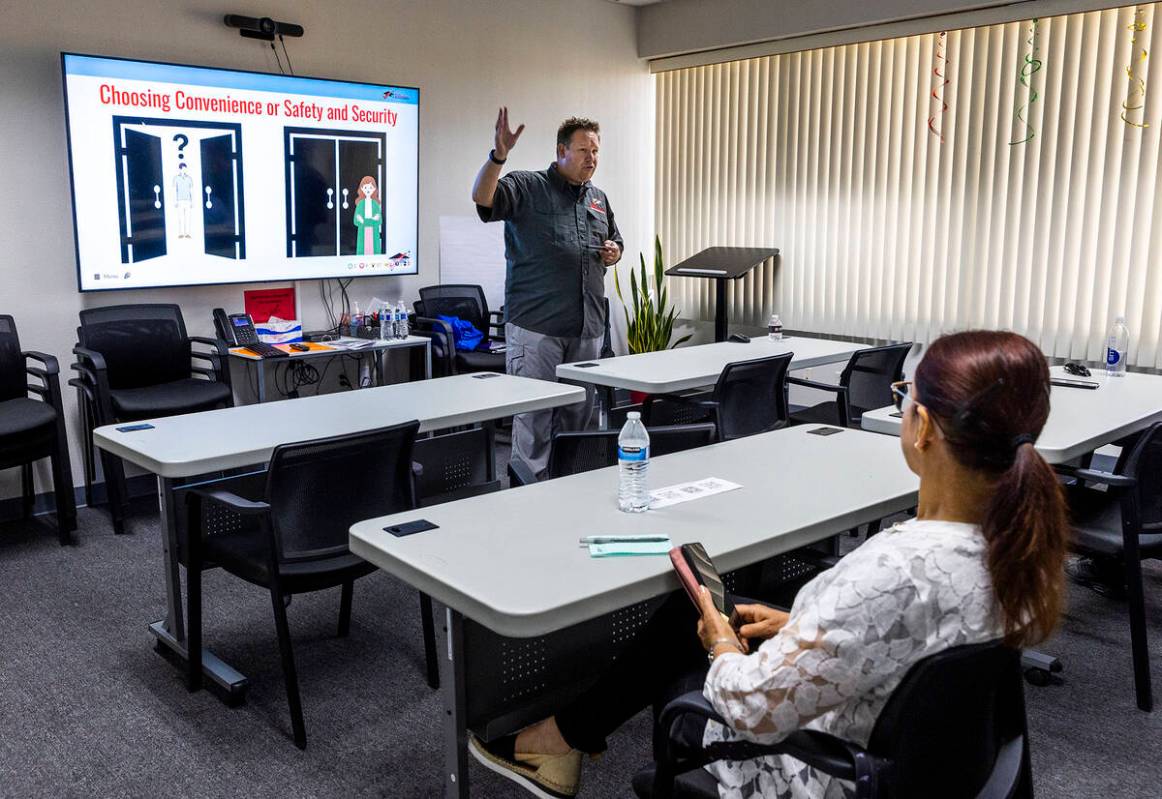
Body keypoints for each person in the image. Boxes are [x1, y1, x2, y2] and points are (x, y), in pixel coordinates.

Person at [469, 330, 1070, 799]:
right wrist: (801, 628)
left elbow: (748, 709)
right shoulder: (1017, 545)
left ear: (926, 431)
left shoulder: (892, 569)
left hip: (819, 775)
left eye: (903, 397)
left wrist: (722, 646)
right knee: (704, 608)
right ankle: (563, 739)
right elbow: (916, 644)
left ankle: (557, 740)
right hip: (921, 764)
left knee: (695, 631)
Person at [473, 110, 624, 479]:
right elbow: (482, 196)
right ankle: (527, 499)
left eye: (596, 151)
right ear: (561, 151)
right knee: (535, 419)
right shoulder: (527, 187)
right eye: (584, 150)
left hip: (586, 328)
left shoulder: (598, 199)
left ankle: (567, 493)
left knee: (578, 419)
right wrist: (498, 156)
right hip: (537, 329)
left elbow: (615, 241)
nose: (592, 158)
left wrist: (614, 252)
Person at [353, 175, 382, 255]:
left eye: (370, 187)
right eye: (365, 188)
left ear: (374, 189)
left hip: (373, 232)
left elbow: (379, 220)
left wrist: (364, 221)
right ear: (361, 189)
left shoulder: (375, 204)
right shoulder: (360, 204)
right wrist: (371, 220)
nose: (368, 190)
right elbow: (356, 221)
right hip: (363, 232)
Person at [172, 162, 194, 239]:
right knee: (181, 217)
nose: (184, 170)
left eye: (185, 169)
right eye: (183, 169)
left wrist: (192, 201)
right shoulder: (176, 178)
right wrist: (175, 201)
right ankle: (181, 233)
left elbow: (191, 191)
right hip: (180, 200)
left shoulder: (189, 178)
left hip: (187, 200)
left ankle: (187, 233)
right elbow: (175, 190)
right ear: (180, 169)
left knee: (188, 217)